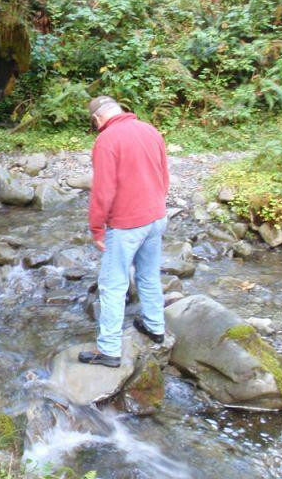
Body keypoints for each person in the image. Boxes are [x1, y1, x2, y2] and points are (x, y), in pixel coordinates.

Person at [78, 96, 170, 368]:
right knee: (149, 276)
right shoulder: (150, 130)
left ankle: (109, 350)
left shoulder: (106, 140)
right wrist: (156, 205)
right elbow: (163, 175)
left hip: (127, 224)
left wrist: (96, 228)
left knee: (113, 285)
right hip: (156, 217)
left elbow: (103, 190)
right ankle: (155, 327)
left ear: (97, 119)